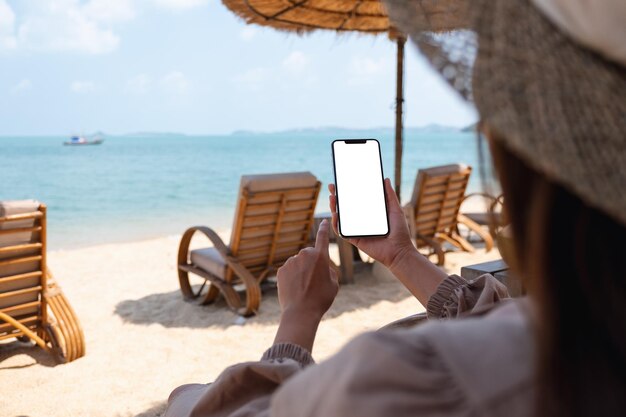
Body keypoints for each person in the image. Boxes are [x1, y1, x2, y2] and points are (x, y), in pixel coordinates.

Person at [165, 0, 626, 416]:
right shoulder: (580, 339)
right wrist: (401, 255)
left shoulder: (419, 377)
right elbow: (495, 312)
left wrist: (297, 318)